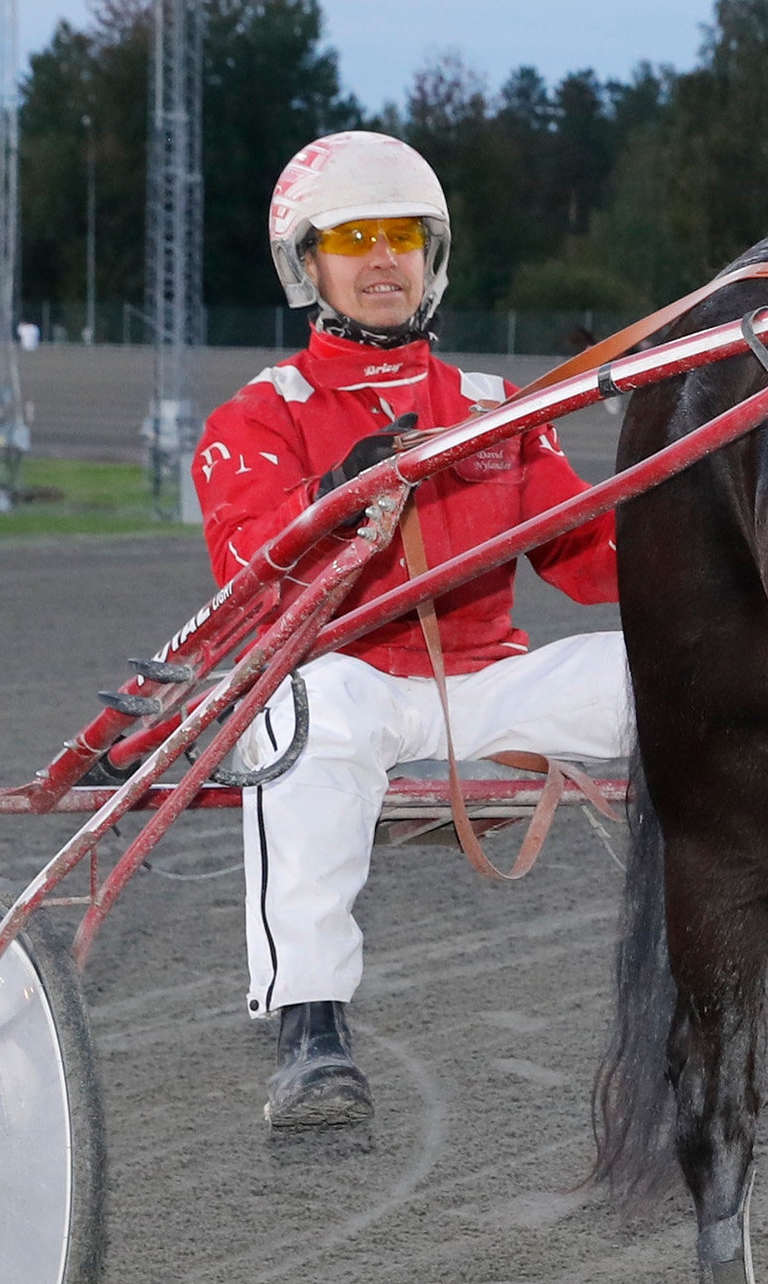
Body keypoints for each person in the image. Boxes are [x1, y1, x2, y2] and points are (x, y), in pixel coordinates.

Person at [195, 132, 630, 1132]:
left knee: (669, 667)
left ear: (432, 258)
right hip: (348, 683)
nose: (382, 259)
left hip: (485, 692)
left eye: (401, 235)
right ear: (309, 263)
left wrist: (713, 522)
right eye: (354, 237)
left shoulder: (495, 410)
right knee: (307, 703)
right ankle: (311, 1030)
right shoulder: (260, 416)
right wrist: (341, 489)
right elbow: (249, 571)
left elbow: (592, 555)